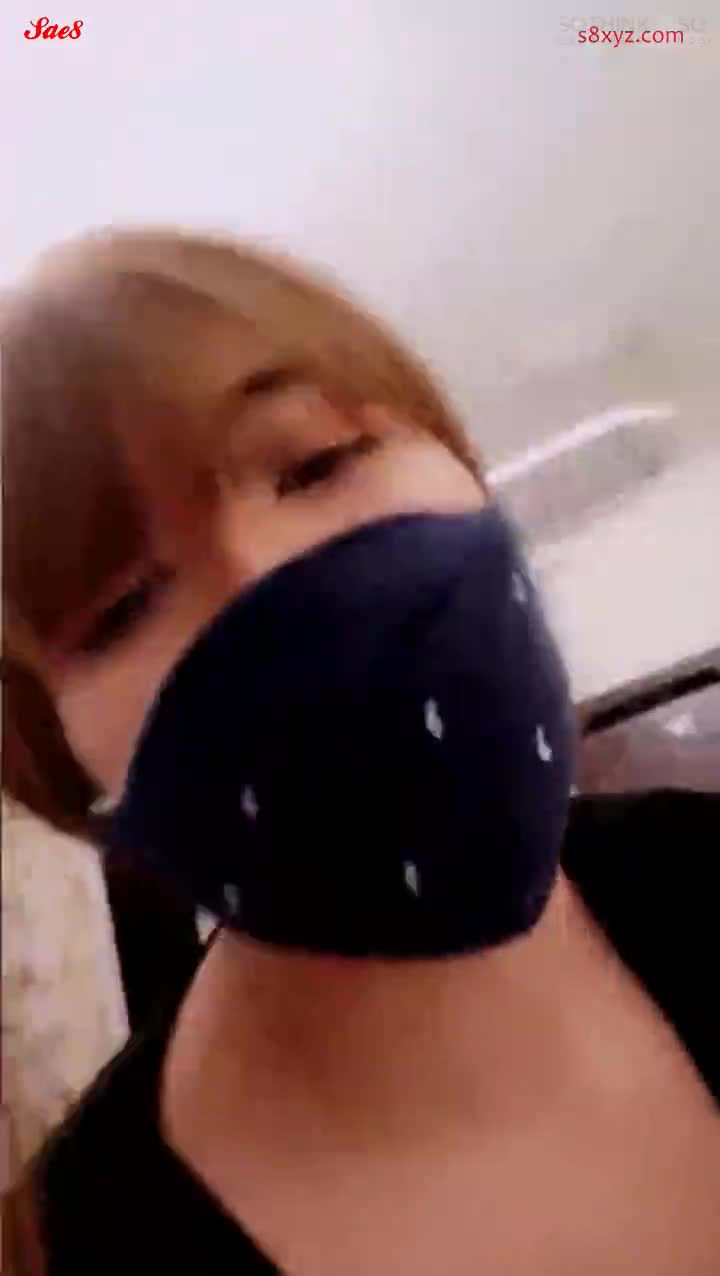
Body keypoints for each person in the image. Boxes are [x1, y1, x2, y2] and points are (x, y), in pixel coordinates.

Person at [2, 228, 719, 1276]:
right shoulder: (92, 1248)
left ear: (458, 460)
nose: (262, 575)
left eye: (317, 463)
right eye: (122, 606)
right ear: (63, 766)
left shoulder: (700, 867)